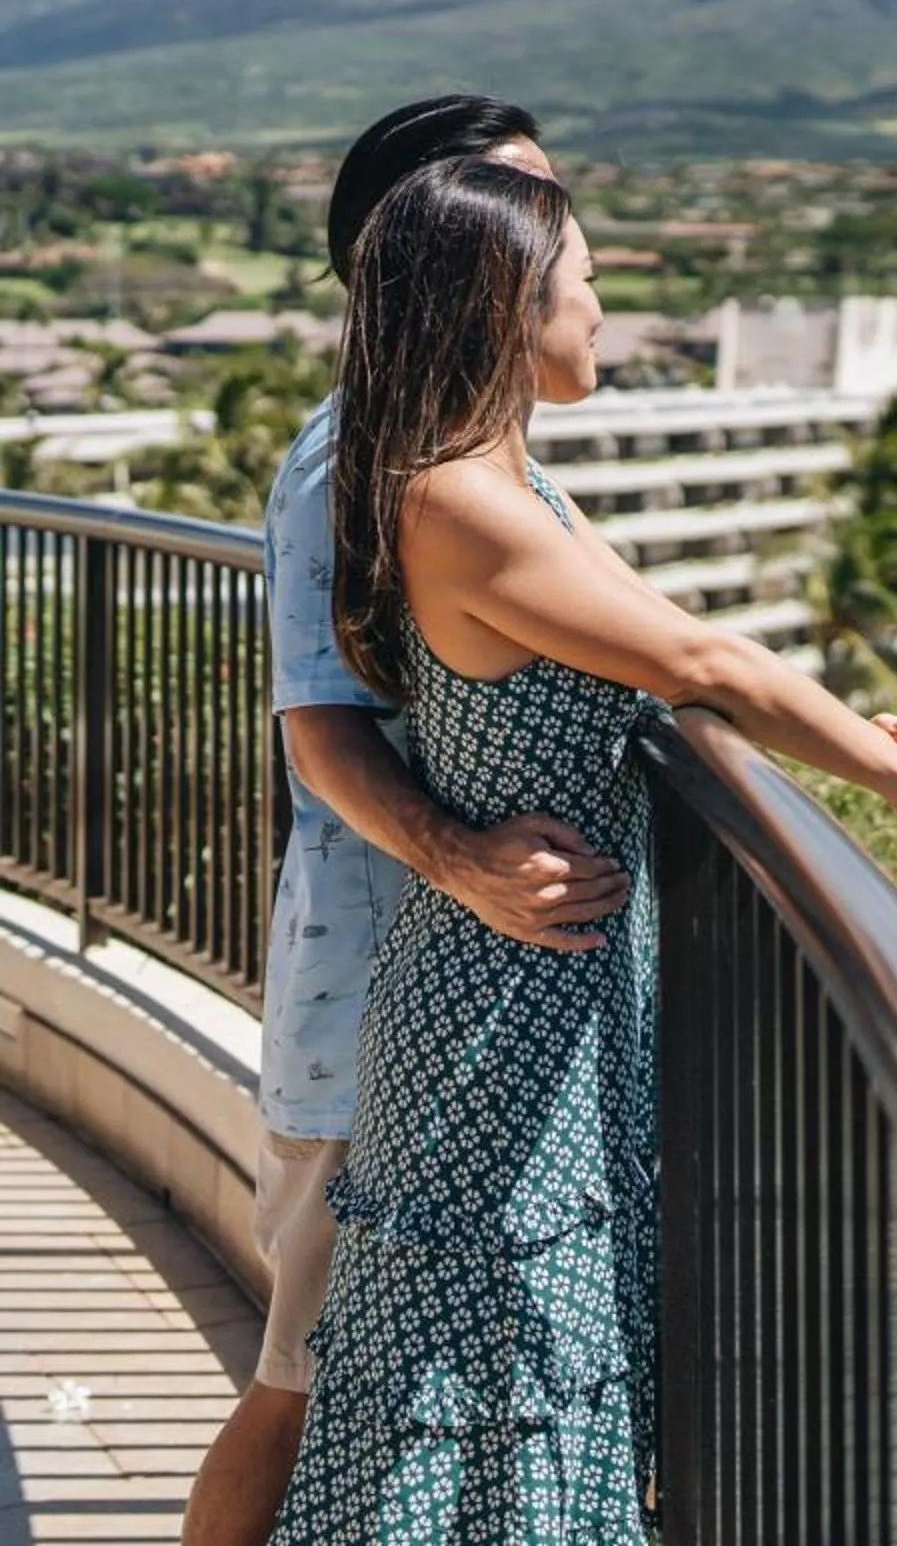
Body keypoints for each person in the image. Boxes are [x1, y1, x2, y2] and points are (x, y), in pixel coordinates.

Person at [266, 154, 897, 1538]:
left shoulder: (496, 484)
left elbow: (663, 651)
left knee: (512, 1384)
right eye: (586, 288)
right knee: (478, 1393)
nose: (604, 318)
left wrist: (859, 728)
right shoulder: (461, 505)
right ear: (504, 311)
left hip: (534, 983)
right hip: (500, 1005)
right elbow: (697, 657)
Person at [185, 99, 640, 1546]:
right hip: (381, 997)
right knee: (303, 1388)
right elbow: (317, 727)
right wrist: (458, 857)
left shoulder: (460, 441)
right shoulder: (354, 457)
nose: (553, 239)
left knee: (362, 1395)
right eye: (515, 205)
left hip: (441, 1006)